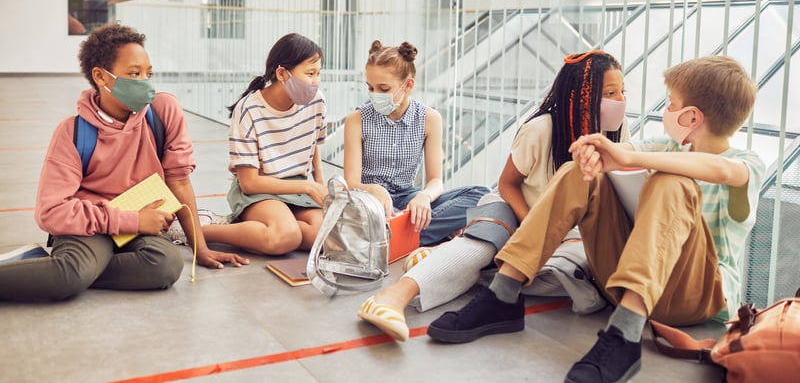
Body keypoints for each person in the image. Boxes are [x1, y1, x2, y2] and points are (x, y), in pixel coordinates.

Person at [427, 55, 765, 383]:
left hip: (695, 297)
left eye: (671, 104)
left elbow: (720, 169)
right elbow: (617, 158)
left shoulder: (747, 162)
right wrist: (594, 154)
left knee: (671, 180)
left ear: (691, 117)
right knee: (579, 172)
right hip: (623, 279)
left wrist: (633, 157)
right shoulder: (663, 145)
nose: (666, 111)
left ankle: (625, 334)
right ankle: (503, 294)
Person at [357, 49, 629, 341]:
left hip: (567, 235)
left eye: (622, 92)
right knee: (482, 245)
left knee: (567, 275)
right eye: (611, 93)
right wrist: (533, 226)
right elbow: (507, 184)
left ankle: (444, 257)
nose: (621, 101)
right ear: (581, 95)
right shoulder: (541, 129)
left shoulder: (616, 134)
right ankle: (393, 296)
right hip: (518, 212)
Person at [0, 24, 248, 303]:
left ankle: (65, 272)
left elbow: (178, 181)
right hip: (91, 225)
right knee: (71, 274)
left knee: (166, 266)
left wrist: (199, 248)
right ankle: (68, 272)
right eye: (134, 74)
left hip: (140, 224)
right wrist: (128, 219)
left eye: (148, 73)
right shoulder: (72, 132)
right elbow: (50, 212)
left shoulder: (164, 112)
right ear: (100, 77)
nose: (145, 82)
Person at [343, 40, 490, 250]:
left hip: (407, 198)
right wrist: (372, 189)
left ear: (408, 85)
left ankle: (391, 240)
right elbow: (351, 183)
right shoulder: (356, 119)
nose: (375, 95)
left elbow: (436, 181)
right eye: (370, 88)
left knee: (482, 194)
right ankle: (410, 236)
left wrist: (423, 196)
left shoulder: (429, 118)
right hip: (369, 201)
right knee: (364, 213)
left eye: (383, 89)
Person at [200, 33, 327, 255]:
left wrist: (321, 185)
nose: (316, 81)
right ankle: (200, 230)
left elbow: (313, 144)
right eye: (310, 73)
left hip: (295, 189)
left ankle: (262, 230)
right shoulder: (249, 109)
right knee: (285, 237)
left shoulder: (317, 102)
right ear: (281, 73)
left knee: (322, 236)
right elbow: (250, 183)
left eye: (318, 74)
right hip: (259, 190)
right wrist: (308, 187)